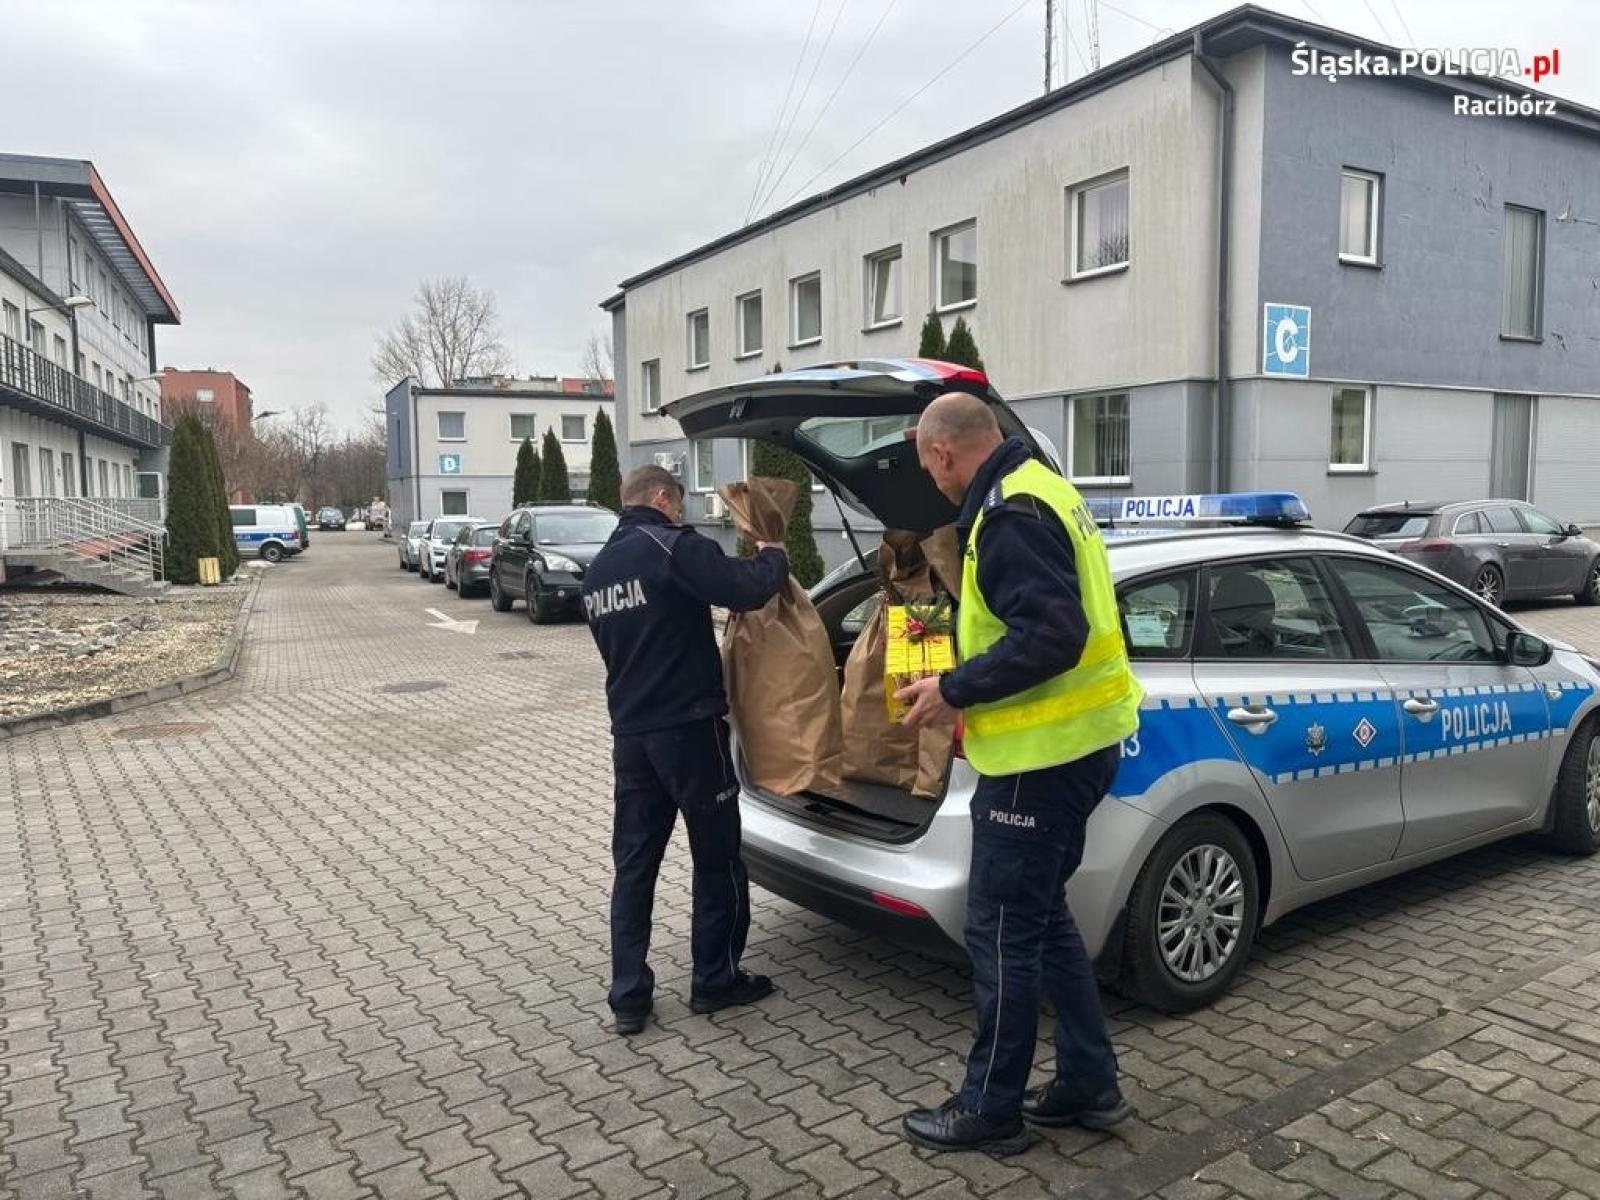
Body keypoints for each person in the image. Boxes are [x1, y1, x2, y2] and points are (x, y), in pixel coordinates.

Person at [895, 392, 1142, 1154]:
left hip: (1042, 762)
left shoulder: (1008, 513)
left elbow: (1054, 633)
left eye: (928, 469)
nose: (934, 485)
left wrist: (955, 689)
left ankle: (990, 1109)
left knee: (1000, 930)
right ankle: (1088, 1083)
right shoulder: (1045, 487)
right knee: (1039, 918)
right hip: (1076, 747)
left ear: (942, 453)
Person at [581, 464, 790, 1035]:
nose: (680, 513)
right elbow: (744, 587)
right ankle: (715, 980)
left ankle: (628, 997)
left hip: (631, 738)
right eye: (677, 503)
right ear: (661, 498)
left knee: (635, 865)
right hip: (691, 732)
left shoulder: (598, 572)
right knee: (717, 856)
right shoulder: (670, 546)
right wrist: (773, 551)